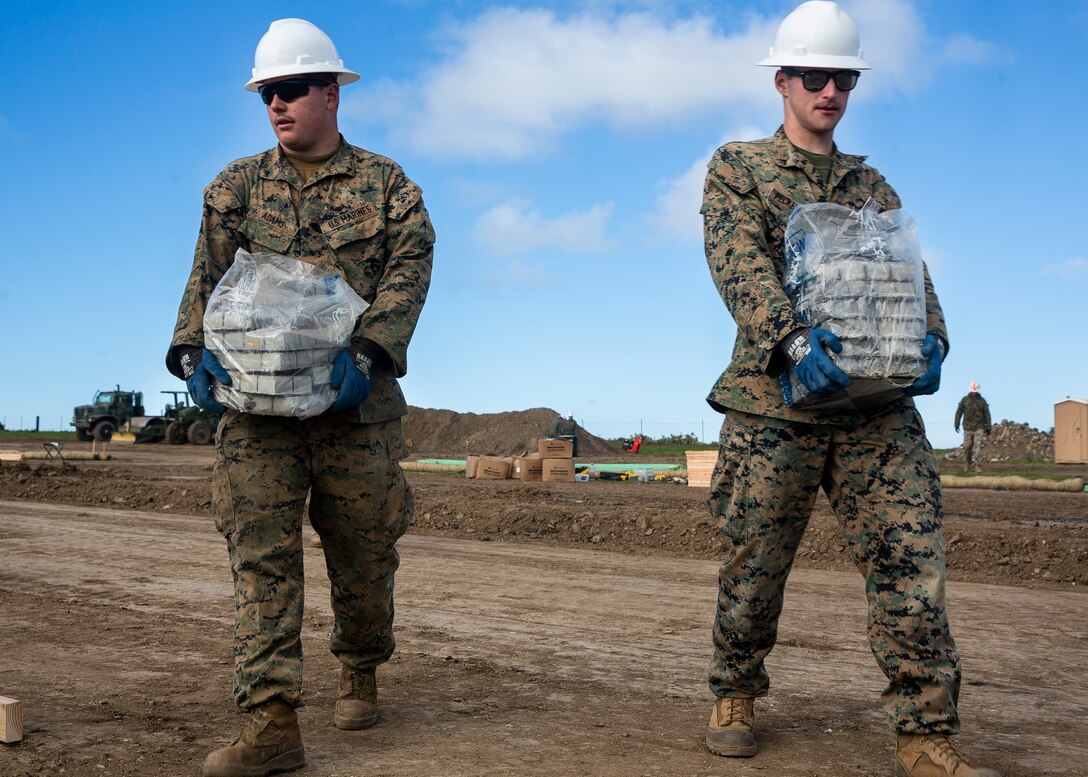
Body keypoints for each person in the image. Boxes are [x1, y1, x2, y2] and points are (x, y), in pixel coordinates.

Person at [698, 3, 999, 775]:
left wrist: (933, 340)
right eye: (815, 76)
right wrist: (792, 340)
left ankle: (926, 732)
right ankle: (734, 686)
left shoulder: (872, 186)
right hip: (777, 401)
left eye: (844, 78)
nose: (830, 90)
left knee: (912, 557)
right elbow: (738, 264)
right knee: (755, 562)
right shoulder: (738, 168)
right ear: (784, 81)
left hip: (875, 408)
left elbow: (912, 274)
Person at [165, 18, 435, 777]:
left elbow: (409, 272)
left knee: (364, 552)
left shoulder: (388, 187)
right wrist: (191, 352)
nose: (277, 105)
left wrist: (371, 348)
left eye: (289, 91)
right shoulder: (234, 188)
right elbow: (205, 281)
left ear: (330, 92)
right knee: (261, 556)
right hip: (258, 415)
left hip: (355, 410)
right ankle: (272, 722)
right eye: (266, 95)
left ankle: (360, 660)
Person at [954, 381, 992, 472]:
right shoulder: (965, 400)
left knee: (977, 447)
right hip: (967, 428)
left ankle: (977, 466)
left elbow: (987, 414)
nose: (974, 392)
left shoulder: (982, 401)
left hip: (979, 427)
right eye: (973, 390)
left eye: (975, 390)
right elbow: (959, 412)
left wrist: (988, 426)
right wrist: (956, 423)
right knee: (967, 447)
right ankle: (968, 463)